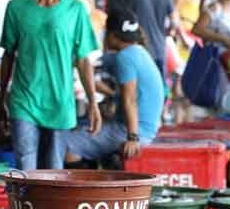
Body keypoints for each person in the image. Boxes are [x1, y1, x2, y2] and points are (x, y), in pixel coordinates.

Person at [0, 0, 101, 170]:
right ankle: (24, 207)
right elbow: (8, 56)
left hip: (60, 103)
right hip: (23, 101)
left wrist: (93, 102)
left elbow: (84, 61)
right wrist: (1, 100)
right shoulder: (16, 8)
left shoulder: (75, 10)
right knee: (25, 170)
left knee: (53, 171)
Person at [50, 10, 164, 169]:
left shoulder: (125, 58)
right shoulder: (139, 52)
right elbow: (89, 64)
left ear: (112, 34)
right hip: (144, 128)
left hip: (132, 132)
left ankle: (85, 189)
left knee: (65, 141)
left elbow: (129, 100)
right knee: (83, 126)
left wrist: (132, 137)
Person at [129, 0, 176, 79]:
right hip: (160, 46)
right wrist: (168, 32)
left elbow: (128, 20)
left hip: (140, 47)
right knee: (160, 81)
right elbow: (174, 22)